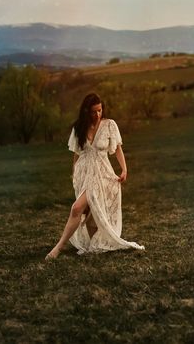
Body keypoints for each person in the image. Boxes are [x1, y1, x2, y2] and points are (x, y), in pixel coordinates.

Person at [45, 93, 145, 260]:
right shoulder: (79, 128)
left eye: (99, 110)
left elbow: (118, 148)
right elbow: (76, 154)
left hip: (102, 174)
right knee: (87, 212)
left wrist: (124, 170)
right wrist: (75, 175)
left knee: (77, 208)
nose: (97, 114)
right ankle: (93, 245)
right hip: (84, 174)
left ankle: (58, 248)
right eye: (93, 111)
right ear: (86, 111)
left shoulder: (109, 125)